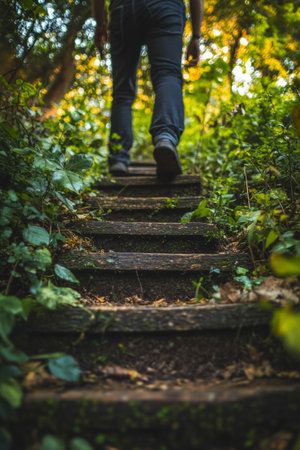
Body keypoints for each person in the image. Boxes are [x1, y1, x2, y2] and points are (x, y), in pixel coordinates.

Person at [93, 0, 204, 178]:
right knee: (167, 74)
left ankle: (118, 158)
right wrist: (197, 35)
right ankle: (165, 138)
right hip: (165, 7)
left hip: (123, 9)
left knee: (122, 90)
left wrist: (101, 22)